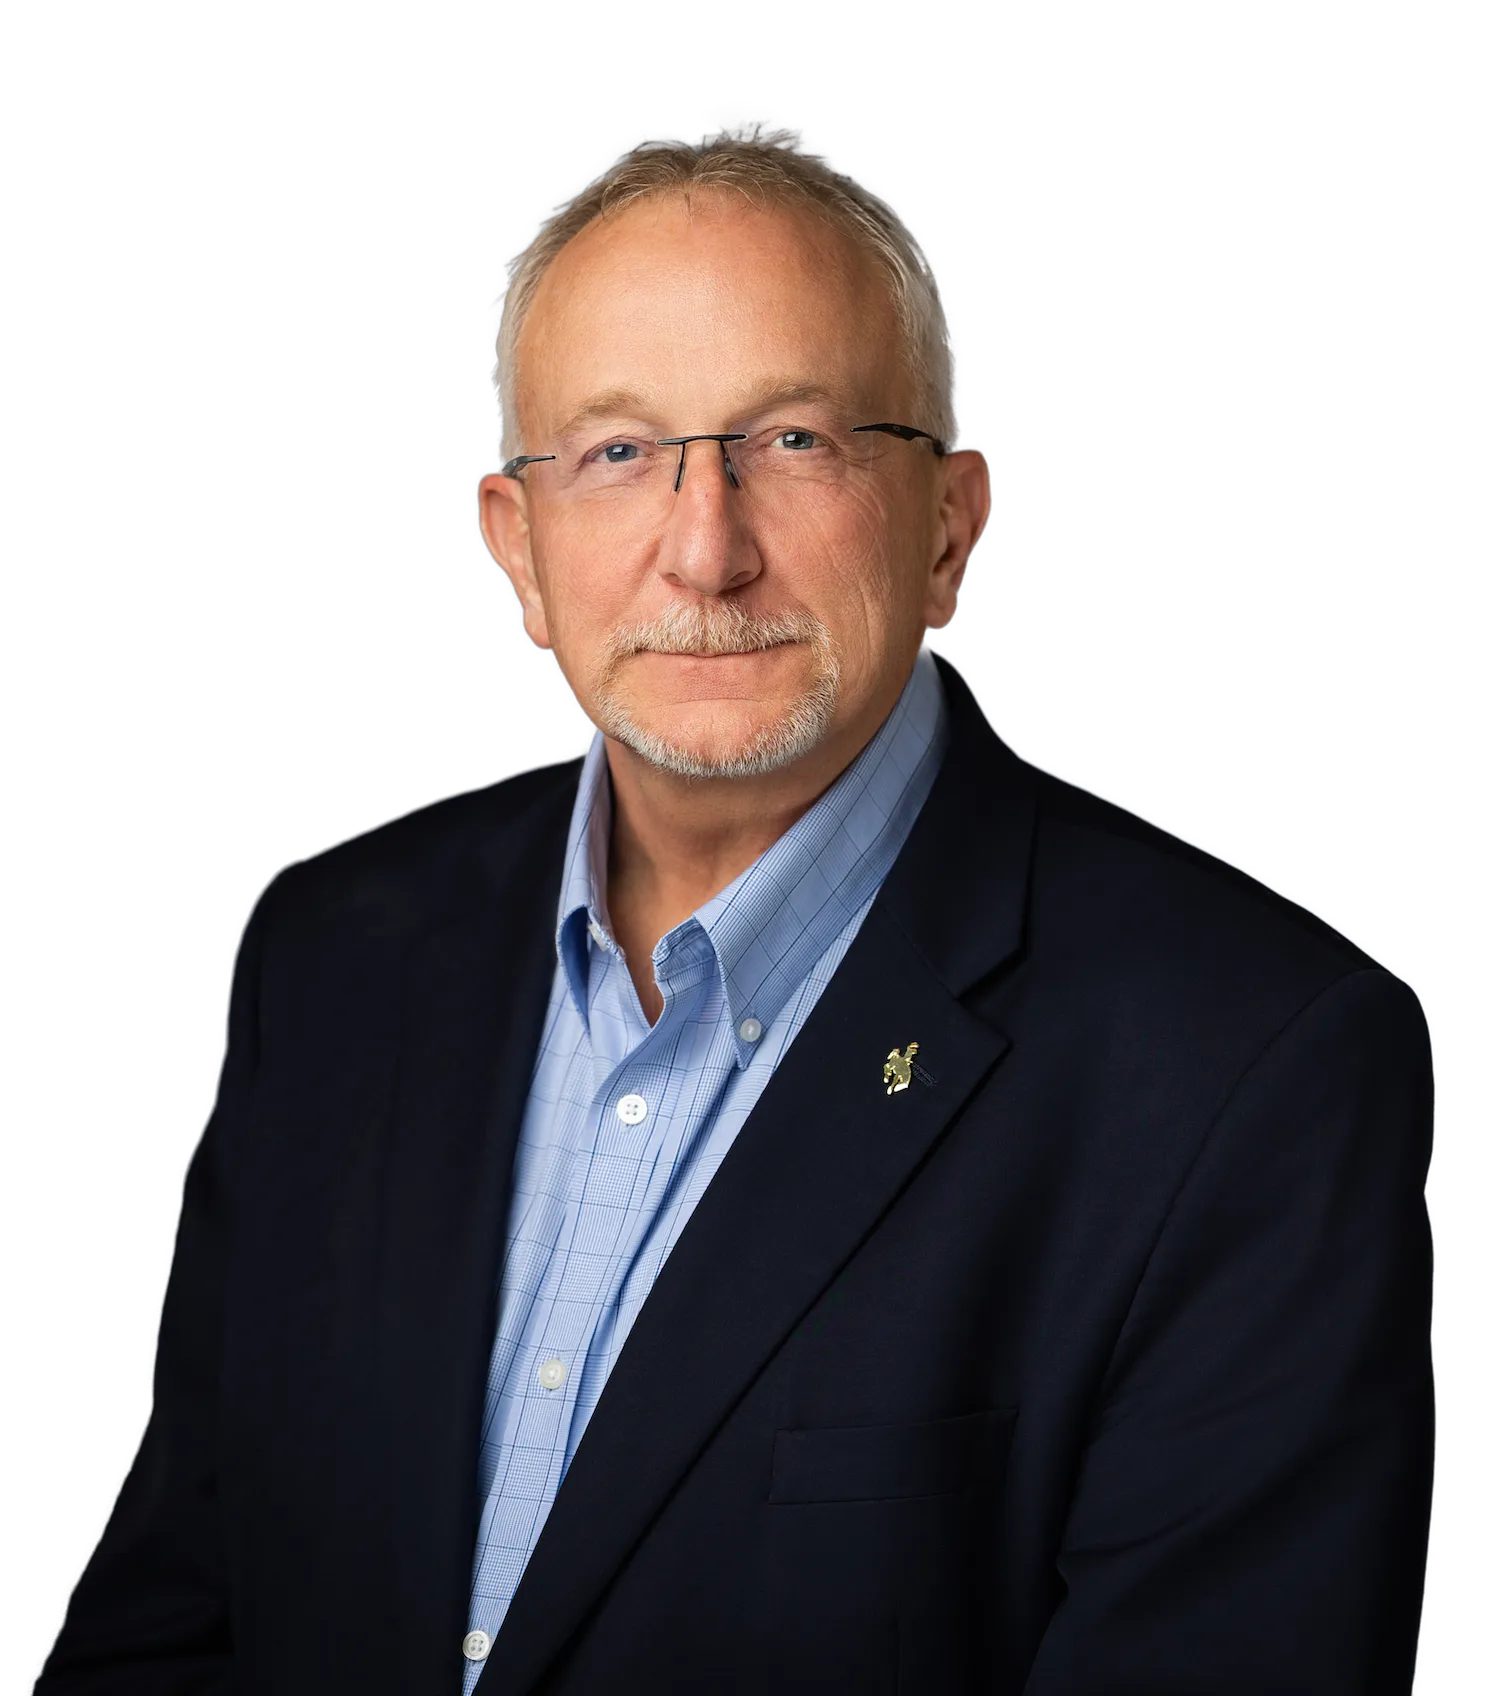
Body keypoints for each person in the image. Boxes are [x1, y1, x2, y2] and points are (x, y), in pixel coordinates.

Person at [31, 115, 1436, 1695]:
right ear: (519, 550)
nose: (706, 553)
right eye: (618, 453)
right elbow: (174, 1629)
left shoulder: (1253, 1062)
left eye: (796, 441)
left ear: (950, 530)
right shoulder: (332, 955)